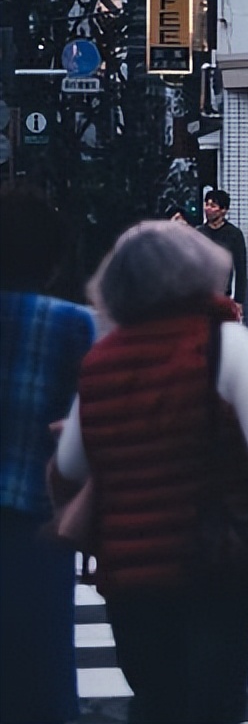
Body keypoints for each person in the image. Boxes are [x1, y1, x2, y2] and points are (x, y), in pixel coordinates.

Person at [53, 220, 248, 723]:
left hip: (131, 572)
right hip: (216, 562)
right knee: (214, 704)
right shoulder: (225, 342)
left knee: (157, 700)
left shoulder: (101, 358)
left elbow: (71, 463)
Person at [0, 195, 96, 724]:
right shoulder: (69, 323)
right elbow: (82, 431)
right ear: (51, 260)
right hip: (37, 516)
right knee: (41, 671)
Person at [196, 188, 248, 318]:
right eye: (206, 204)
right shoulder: (198, 232)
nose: (208, 208)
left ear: (223, 210)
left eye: (213, 206)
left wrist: (239, 300)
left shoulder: (234, 234)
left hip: (223, 295)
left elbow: (241, 269)